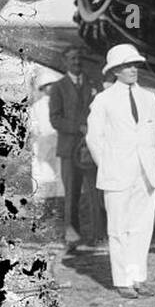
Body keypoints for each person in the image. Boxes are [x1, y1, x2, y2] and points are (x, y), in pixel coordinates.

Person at [86, 44, 155, 299]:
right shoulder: (103, 100)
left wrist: (145, 161)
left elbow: (153, 133)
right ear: (115, 70)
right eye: (127, 66)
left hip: (145, 172)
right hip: (116, 172)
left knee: (142, 227)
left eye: (135, 65)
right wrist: (109, 165)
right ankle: (123, 280)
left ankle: (138, 276)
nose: (133, 70)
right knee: (118, 228)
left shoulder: (149, 98)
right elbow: (94, 139)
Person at [48, 48, 97, 249]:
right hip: (69, 150)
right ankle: (72, 237)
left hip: (93, 148)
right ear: (65, 62)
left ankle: (98, 235)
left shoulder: (93, 84)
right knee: (72, 195)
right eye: (72, 58)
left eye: (79, 58)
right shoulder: (58, 88)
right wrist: (78, 127)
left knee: (96, 192)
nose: (77, 62)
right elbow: (55, 119)